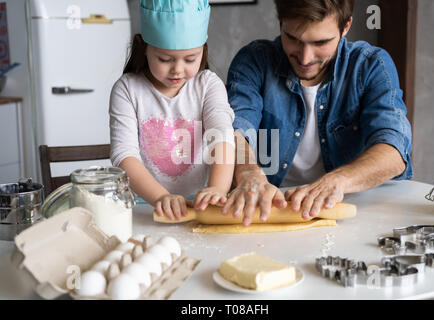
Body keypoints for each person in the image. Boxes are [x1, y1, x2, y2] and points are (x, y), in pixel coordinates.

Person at [223, 0, 413, 226]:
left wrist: (339, 180)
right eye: (293, 39)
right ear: (281, 23)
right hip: (274, 209)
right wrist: (247, 171)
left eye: (321, 42)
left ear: (346, 27)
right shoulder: (254, 60)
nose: (305, 58)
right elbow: (235, 126)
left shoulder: (372, 65)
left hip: (355, 208)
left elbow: (394, 150)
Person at [109, 0, 235, 221]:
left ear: (203, 48)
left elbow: (222, 135)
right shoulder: (127, 89)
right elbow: (124, 155)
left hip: (199, 205)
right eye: (165, 59)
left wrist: (218, 190)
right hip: (143, 207)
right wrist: (161, 198)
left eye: (190, 59)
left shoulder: (207, 85)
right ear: (144, 47)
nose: (177, 70)